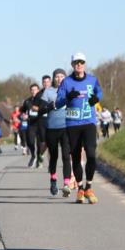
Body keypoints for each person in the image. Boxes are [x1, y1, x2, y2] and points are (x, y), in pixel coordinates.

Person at [56, 53, 103, 204]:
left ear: (85, 64)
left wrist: (97, 98)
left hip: (89, 122)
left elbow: (99, 92)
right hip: (72, 124)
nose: (79, 64)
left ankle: (89, 186)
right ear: (72, 65)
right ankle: (80, 189)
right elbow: (58, 102)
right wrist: (68, 97)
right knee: (75, 157)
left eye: (81, 62)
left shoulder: (92, 80)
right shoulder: (66, 82)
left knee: (91, 154)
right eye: (76, 62)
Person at [41, 68, 73, 197]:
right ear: (54, 78)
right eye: (57, 76)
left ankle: (66, 184)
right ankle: (53, 179)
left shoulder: (69, 90)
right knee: (53, 157)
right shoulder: (48, 92)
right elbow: (41, 110)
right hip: (52, 128)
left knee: (66, 156)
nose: (59, 79)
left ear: (65, 77)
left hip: (66, 127)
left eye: (62, 76)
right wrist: (51, 105)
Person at [20, 83, 42, 167]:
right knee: (30, 141)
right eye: (32, 90)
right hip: (31, 123)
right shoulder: (27, 101)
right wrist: (23, 115)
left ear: (38, 90)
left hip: (40, 123)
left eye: (35, 90)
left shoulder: (42, 100)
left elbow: (45, 109)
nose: (33, 91)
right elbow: (22, 111)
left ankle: (38, 157)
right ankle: (33, 155)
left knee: (39, 143)